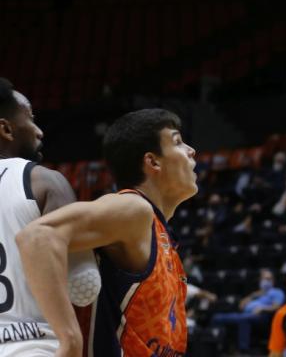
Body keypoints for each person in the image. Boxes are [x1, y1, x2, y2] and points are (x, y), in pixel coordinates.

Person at [17, 108, 197, 356]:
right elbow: (38, 236)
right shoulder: (133, 207)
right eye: (178, 142)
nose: (191, 151)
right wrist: (69, 339)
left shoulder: (158, 230)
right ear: (152, 162)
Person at [0, 78, 99, 357]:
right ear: (6, 129)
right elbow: (84, 287)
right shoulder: (44, 181)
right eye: (31, 119)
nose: (40, 131)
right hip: (33, 348)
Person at [211, 268, 285, 354]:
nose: (265, 281)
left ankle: (243, 351)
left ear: (273, 281)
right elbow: (241, 306)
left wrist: (263, 308)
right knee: (217, 317)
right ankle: (218, 346)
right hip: (244, 314)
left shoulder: (277, 292)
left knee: (244, 319)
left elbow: (277, 306)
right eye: (263, 279)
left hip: (262, 317)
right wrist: (253, 295)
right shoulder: (256, 294)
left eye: (268, 279)